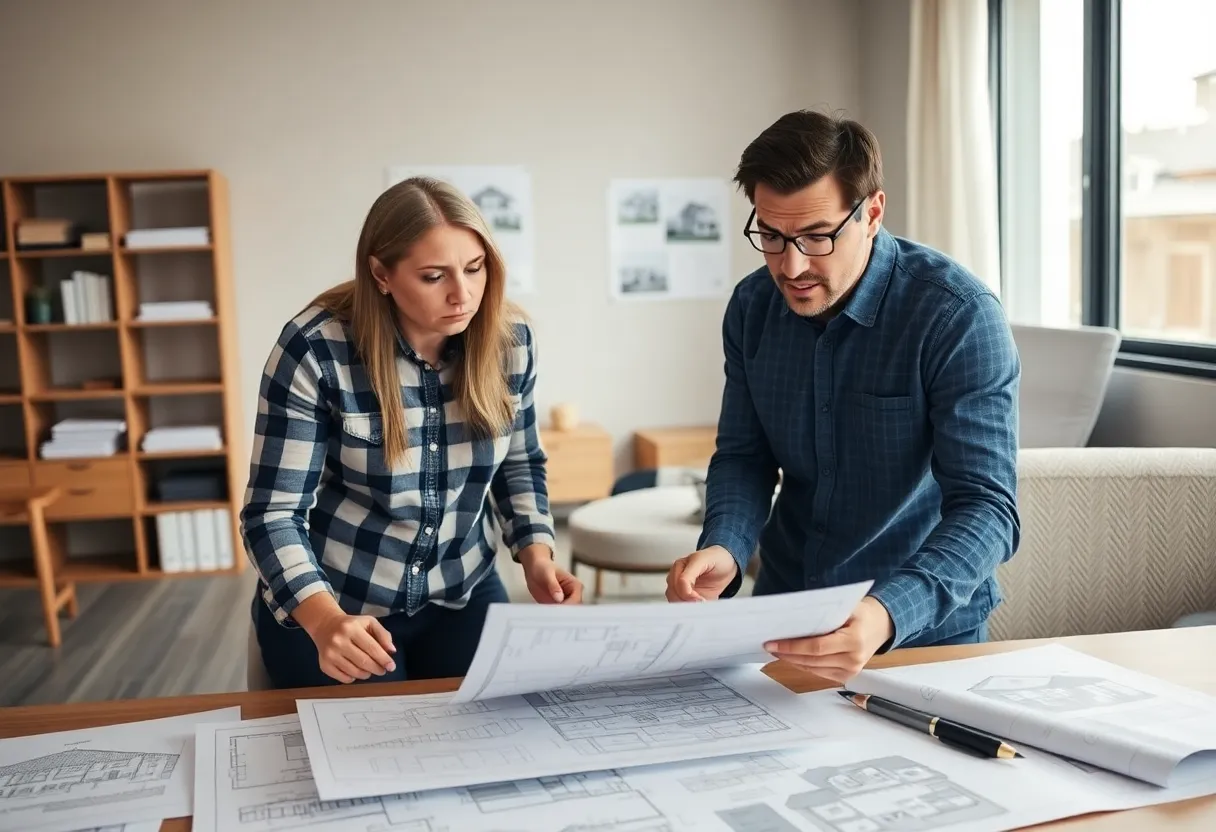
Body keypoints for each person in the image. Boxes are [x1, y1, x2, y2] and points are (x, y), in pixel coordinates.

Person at [665, 110, 1021, 683]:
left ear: (872, 213)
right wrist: (726, 547)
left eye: (817, 236)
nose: (792, 266)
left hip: (922, 631)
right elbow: (743, 457)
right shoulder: (752, 308)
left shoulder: (956, 315)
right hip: (783, 613)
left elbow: (988, 509)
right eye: (772, 237)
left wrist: (885, 613)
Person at [241, 176, 582, 689]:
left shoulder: (512, 343)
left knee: (503, 737)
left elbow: (519, 462)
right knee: (372, 755)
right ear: (381, 273)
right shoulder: (315, 350)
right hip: (339, 604)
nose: (462, 294)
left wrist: (536, 554)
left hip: (462, 588)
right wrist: (325, 621)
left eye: (474, 268)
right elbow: (272, 513)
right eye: (432, 276)